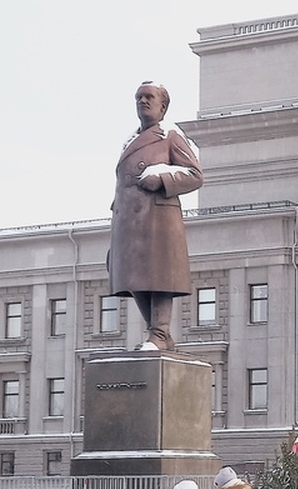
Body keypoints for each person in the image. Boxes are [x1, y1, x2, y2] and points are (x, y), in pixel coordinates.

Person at [108, 81, 204, 351]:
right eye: (139, 97)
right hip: (129, 222)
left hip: (158, 220)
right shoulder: (129, 140)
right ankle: (159, 335)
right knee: (135, 278)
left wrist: (161, 178)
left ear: (163, 106)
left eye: (150, 97)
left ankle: (160, 334)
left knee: (159, 275)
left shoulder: (169, 137)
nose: (143, 101)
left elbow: (195, 175)